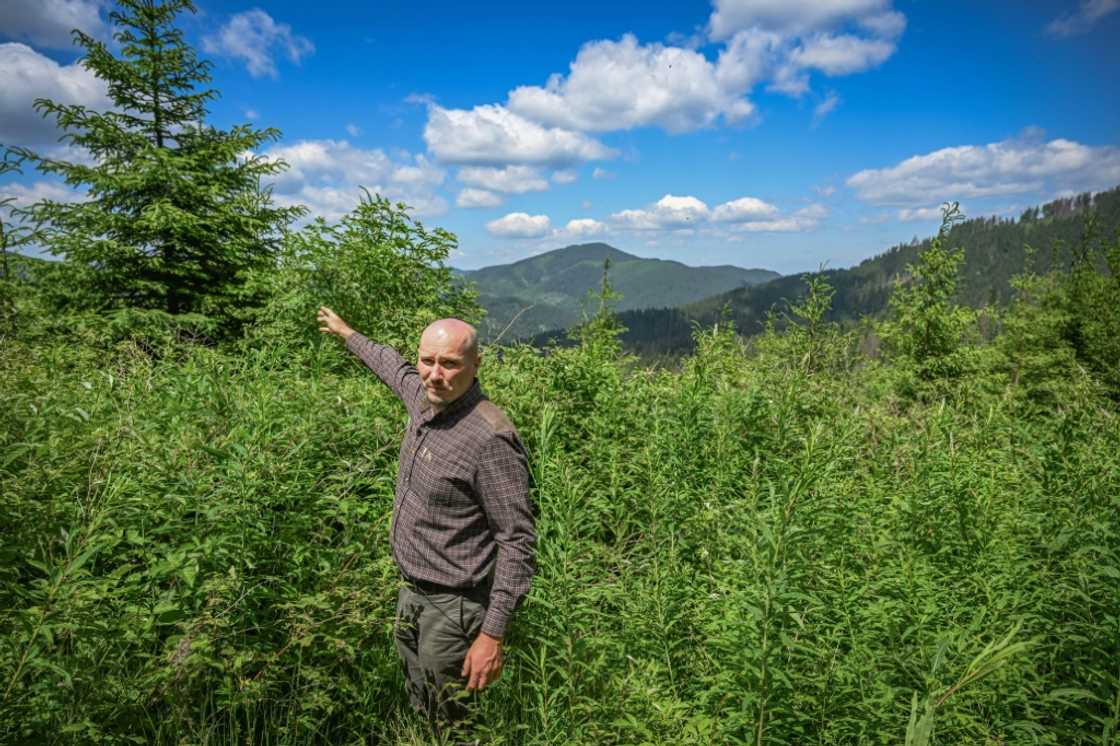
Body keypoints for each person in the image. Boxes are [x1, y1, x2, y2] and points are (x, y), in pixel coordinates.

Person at [316, 307, 536, 734]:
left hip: (455, 607)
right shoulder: (423, 397)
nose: (435, 374)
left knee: (454, 725)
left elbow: (517, 543)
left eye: (450, 363)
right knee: (423, 706)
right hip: (412, 592)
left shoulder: (489, 439)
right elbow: (388, 365)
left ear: (476, 365)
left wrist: (492, 636)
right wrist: (347, 333)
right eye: (427, 360)